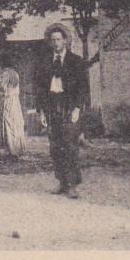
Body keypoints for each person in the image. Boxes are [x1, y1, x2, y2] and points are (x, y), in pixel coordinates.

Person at [35, 25, 89, 199]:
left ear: (65, 40)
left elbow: (82, 88)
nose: (56, 42)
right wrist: (41, 112)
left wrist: (77, 109)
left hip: (69, 106)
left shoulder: (76, 61)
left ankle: (73, 184)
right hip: (51, 106)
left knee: (70, 146)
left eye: (59, 39)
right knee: (55, 147)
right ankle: (62, 182)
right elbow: (40, 89)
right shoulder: (44, 62)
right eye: (53, 40)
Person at [0, 67, 27, 158]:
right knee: (15, 123)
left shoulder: (5, 74)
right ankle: (17, 148)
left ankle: (10, 149)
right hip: (15, 101)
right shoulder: (15, 74)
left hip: (8, 101)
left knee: (8, 123)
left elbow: (2, 88)